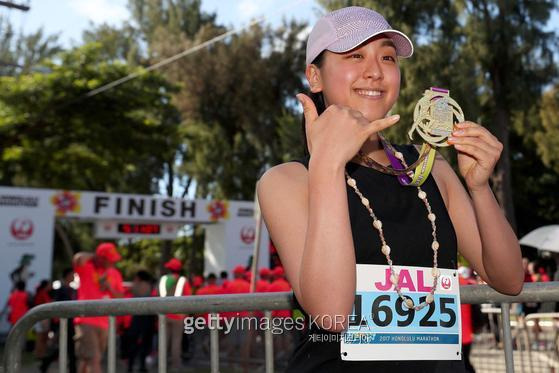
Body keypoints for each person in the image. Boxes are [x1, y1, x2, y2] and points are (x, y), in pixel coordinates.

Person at [257, 6, 524, 372]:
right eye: (355, 55)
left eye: (387, 57)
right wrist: (328, 164)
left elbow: (509, 280)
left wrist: (480, 188)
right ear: (314, 77)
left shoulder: (432, 167)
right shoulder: (287, 181)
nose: (375, 71)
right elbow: (332, 315)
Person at [73, 242, 124, 373]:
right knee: (93, 358)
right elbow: (78, 258)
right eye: (109, 260)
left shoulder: (114, 273)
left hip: (104, 322)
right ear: (100, 258)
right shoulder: (87, 267)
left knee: (89, 359)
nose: (112, 263)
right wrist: (94, 256)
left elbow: (121, 298)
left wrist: (110, 287)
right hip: (86, 320)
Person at [158, 258, 192, 371]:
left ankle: (161, 365)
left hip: (163, 314)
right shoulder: (183, 281)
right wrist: (185, 315)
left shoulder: (163, 279)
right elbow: (188, 299)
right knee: (176, 342)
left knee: (163, 341)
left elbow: (156, 295)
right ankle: (175, 366)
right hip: (178, 315)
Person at [125, 270, 156, 373]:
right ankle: (142, 366)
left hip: (138, 316)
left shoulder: (138, 285)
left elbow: (132, 293)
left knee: (133, 342)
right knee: (145, 343)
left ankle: (131, 366)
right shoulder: (149, 285)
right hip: (147, 317)